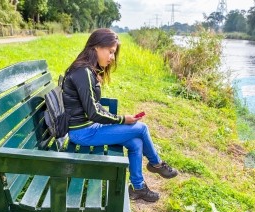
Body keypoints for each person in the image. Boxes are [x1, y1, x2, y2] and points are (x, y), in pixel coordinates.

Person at [62, 28, 178, 202]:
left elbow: (95, 106)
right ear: (96, 47)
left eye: (113, 53)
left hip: (90, 128)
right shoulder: (83, 72)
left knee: (135, 141)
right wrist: (123, 119)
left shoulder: (88, 71)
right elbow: (93, 112)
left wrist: (118, 120)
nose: (112, 58)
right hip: (83, 132)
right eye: (110, 52)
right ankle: (156, 164)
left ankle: (138, 188)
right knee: (141, 128)